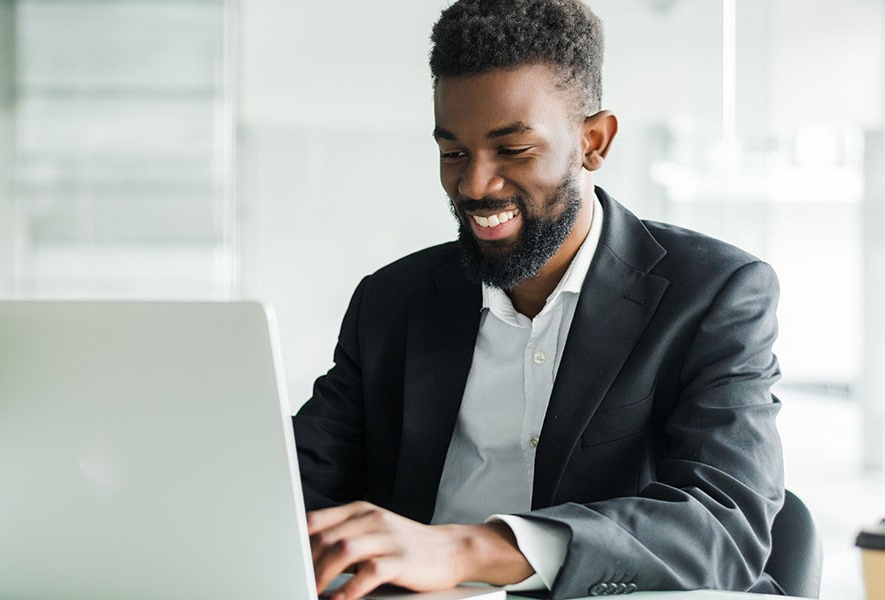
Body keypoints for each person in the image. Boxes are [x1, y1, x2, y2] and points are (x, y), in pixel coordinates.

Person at [293, 1, 785, 599]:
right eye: (453, 152)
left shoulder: (713, 293)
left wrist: (469, 547)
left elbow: (722, 528)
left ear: (593, 142)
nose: (474, 185)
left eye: (513, 150)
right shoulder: (391, 301)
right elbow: (294, 485)